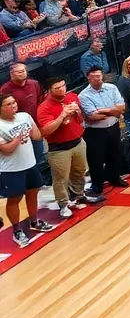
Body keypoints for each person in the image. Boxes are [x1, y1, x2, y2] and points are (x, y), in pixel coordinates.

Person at [0, 94, 53, 248]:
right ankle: (16, 229)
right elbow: (7, 149)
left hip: (30, 164)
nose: (13, 106)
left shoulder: (25, 116)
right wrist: (17, 139)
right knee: (14, 199)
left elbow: (37, 136)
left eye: (14, 102)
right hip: (11, 170)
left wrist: (30, 131)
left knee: (32, 193)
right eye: (8, 104)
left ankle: (34, 221)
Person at [36, 77, 95, 212]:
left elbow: (81, 120)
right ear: (49, 91)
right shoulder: (44, 108)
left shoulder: (72, 97)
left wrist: (78, 112)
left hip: (78, 141)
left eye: (63, 85)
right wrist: (62, 115)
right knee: (61, 178)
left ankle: (79, 195)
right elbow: (46, 130)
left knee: (80, 171)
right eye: (58, 88)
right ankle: (63, 204)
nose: (62, 89)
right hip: (59, 148)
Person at [77, 67, 129, 193]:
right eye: (94, 77)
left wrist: (102, 110)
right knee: (96, 160)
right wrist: (113, 110)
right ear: (88, 78)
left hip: (114, 128)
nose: (97, 79)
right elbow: (93, 116)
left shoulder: (112, 88)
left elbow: (121, 108)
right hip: (95, 132)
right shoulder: (83, 95)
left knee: (114, 154)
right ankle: (97, 185)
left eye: (99, 76)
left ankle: (114, 178)